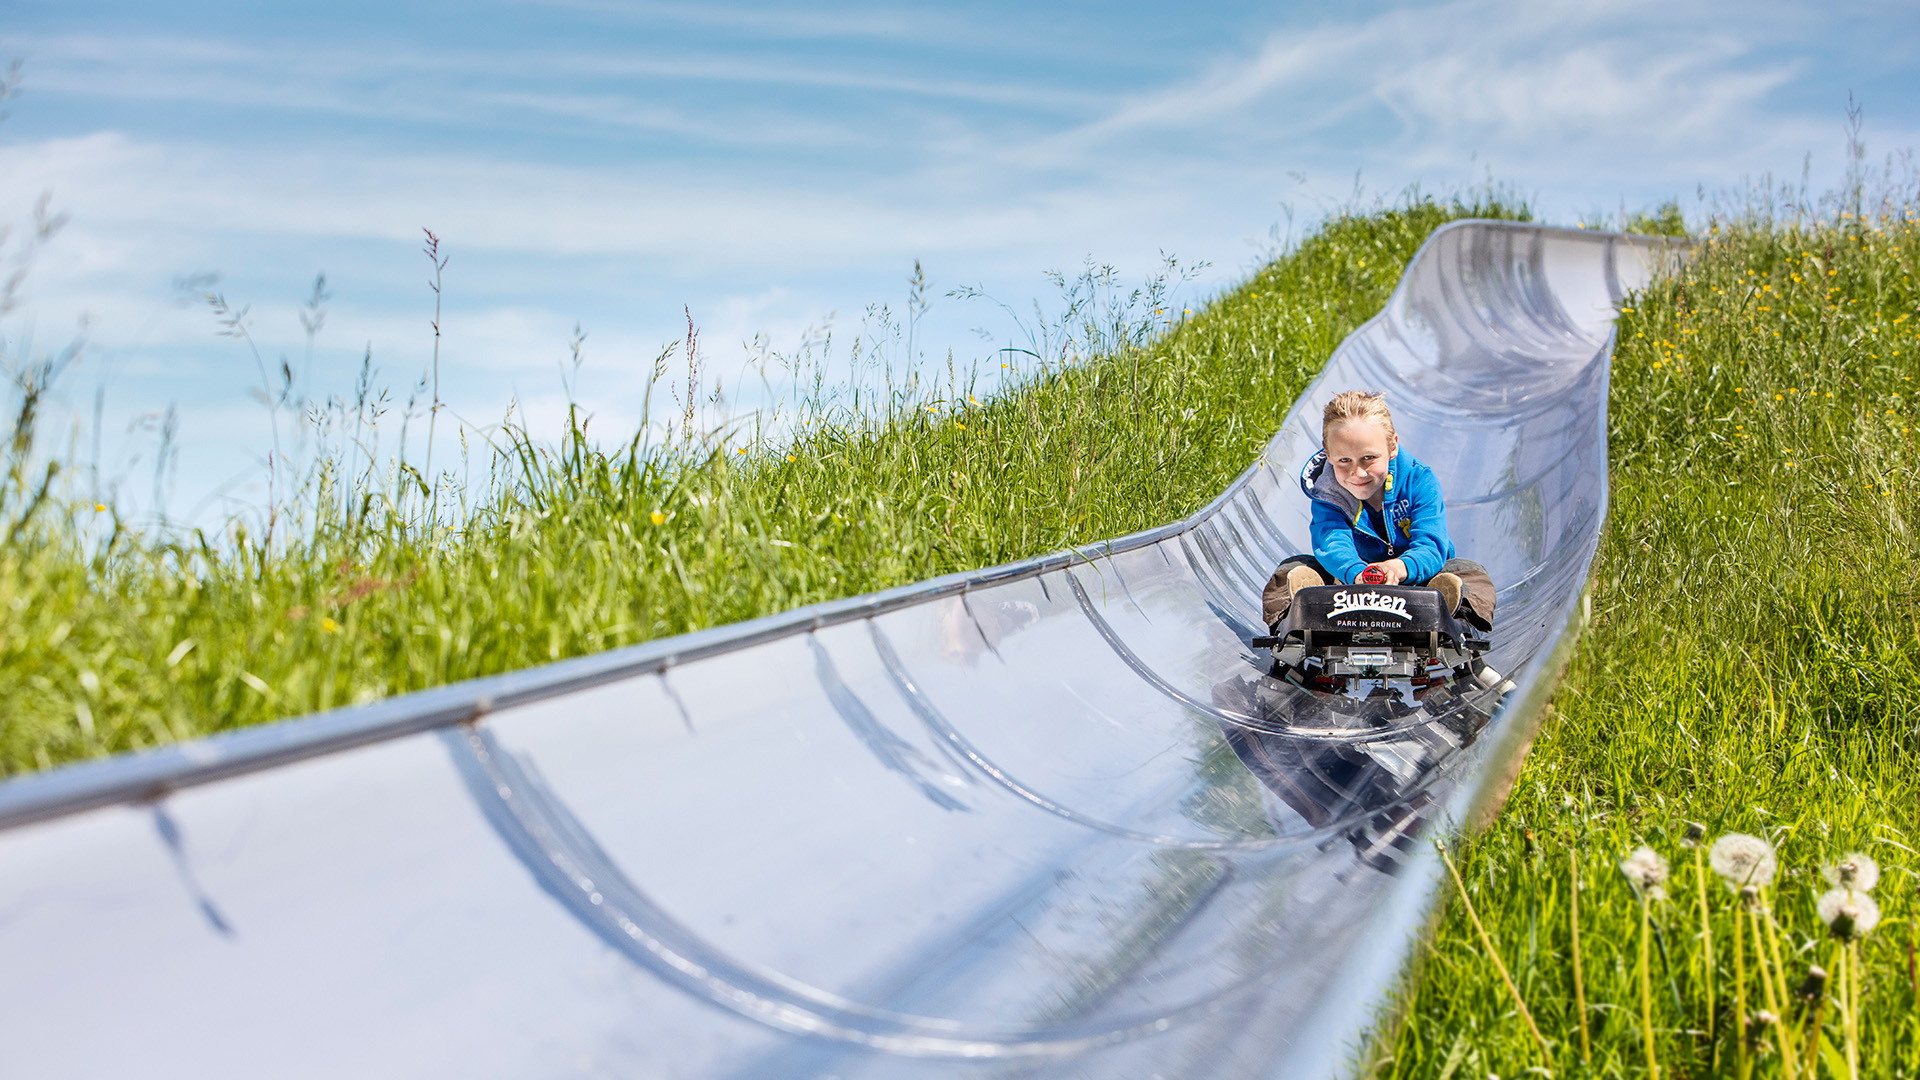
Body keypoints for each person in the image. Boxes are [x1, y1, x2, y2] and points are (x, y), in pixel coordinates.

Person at [1261, 390, 1495, 631]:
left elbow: (1432, 546)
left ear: (1392, 447)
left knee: (1470, 574)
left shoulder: (1418, 481)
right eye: (1344, 461)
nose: (1358, 473)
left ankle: (1454, 622)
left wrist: (1398, 568)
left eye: (1368, 458)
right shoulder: (1328, 493)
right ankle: (1291, 626)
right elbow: (1332, 543)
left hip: (1416, 585)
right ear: (1328, 453)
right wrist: (1358, 574)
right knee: (1292, 570)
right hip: (1347, 588)